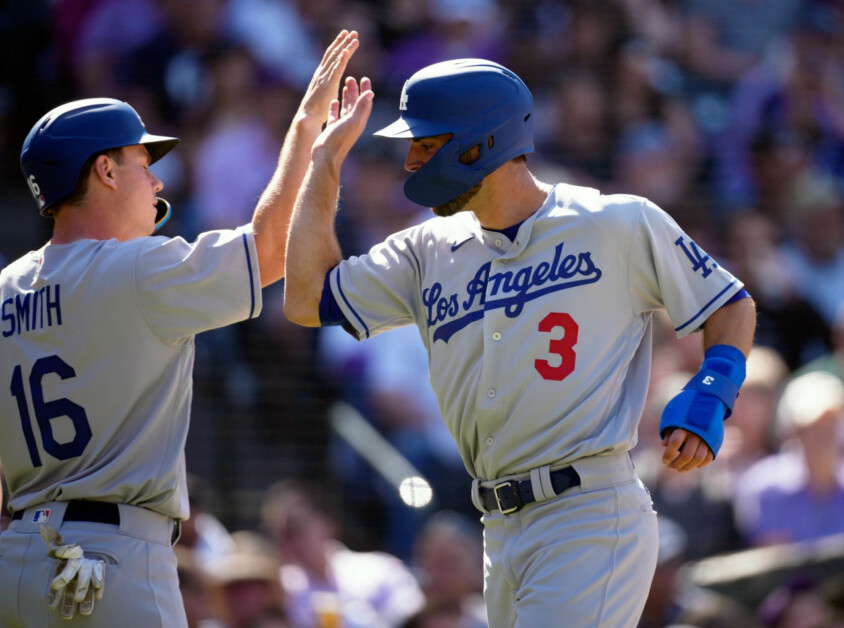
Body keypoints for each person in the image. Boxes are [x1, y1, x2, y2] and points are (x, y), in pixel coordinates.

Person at [283, 57, 757, 627]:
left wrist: (712, 390)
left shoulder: (616, 223)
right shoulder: (422, 250)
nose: (410, 162)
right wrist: (323, 162)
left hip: (586, 514)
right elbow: (307, 299)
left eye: (425, 145)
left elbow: (730, 303)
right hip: (498, 525)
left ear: (481, 143)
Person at [0, 30, 361, 626]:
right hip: (110, 561)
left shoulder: (7, 287)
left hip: (18, 559)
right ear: (106, 171)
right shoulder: (137, 268)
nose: (158, 181)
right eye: (144, 163)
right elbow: (272, 251)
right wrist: (306, 134)